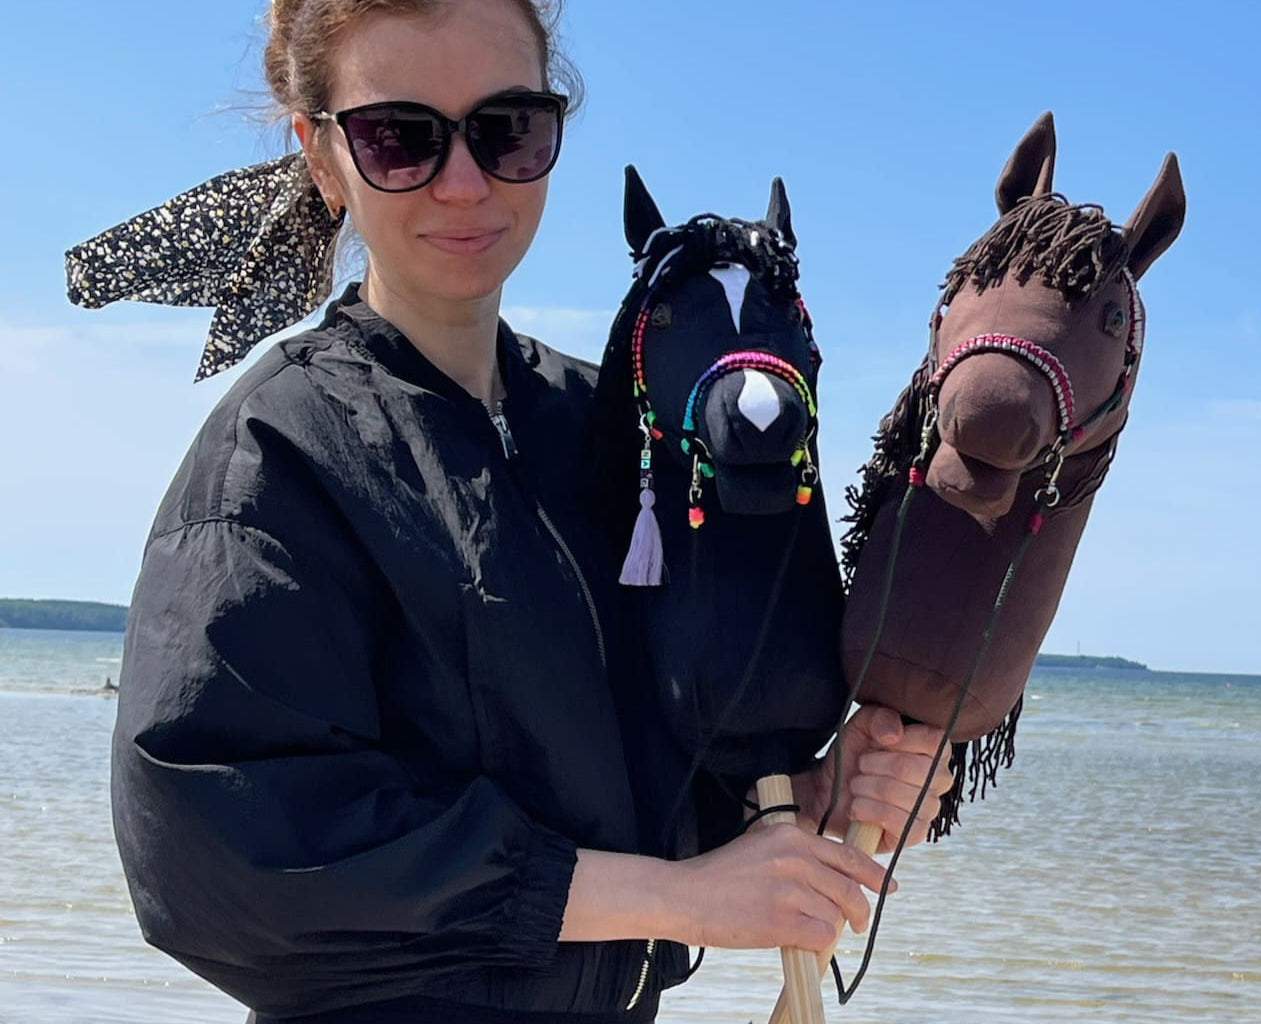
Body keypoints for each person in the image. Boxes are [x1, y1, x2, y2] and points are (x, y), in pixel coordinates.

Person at [88, 1, 951, 1021]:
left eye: (506, 130)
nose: (463, 181)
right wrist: (671, 896)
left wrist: (810, 796)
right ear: (321, 156)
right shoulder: (280, 456)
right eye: (400, 137)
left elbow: (648, 780)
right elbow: (218, 851)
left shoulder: (614, 435)